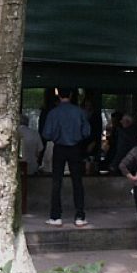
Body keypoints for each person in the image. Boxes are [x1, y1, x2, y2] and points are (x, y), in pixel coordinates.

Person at [42, 87, 91, 227]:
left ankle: (56, 216)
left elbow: (46, 134)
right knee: (77, 182)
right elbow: (86, 131)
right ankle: (80, 216)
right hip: (75, 148)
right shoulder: (79, 112)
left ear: (58, 95)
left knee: (57, 182)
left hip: (59, 148)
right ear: (70, 94)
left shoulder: (53, 113)